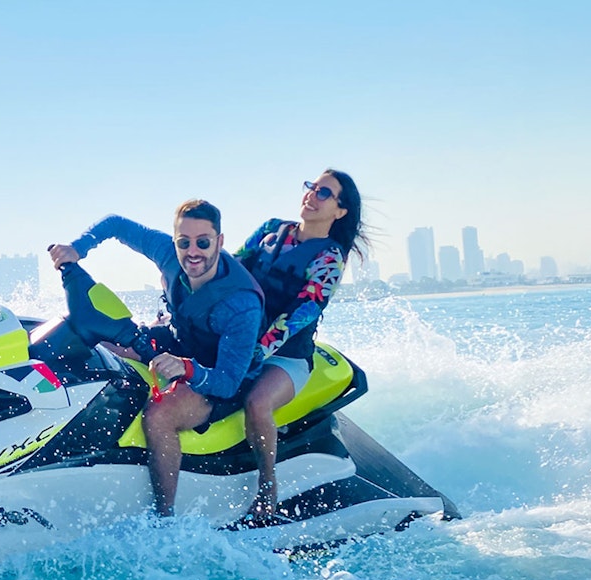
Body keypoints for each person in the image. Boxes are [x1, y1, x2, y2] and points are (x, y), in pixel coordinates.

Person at [48, 200, 264, 517]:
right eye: (183, 242)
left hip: (223, 374)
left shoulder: (241, 304)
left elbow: (228, 382)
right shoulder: (168, 253)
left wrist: (186, 368)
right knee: (97, 337)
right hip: (181, 342)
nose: (193, 252)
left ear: (219, 241)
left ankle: (165, 518)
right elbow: (116, 223)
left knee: (159, 414)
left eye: (203, 242)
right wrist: (78, 249)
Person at [234, 169, 367, 523]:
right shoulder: (269, 230)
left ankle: (267, 486)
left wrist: (258, 353)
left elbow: (302, 313)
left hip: (287, 356)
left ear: (340, 211)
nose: (312, 194)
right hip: (240, 341)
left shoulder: (329, 259)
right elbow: (228, 270)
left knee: (257, 403)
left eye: (324, 193)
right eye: (312, 187)